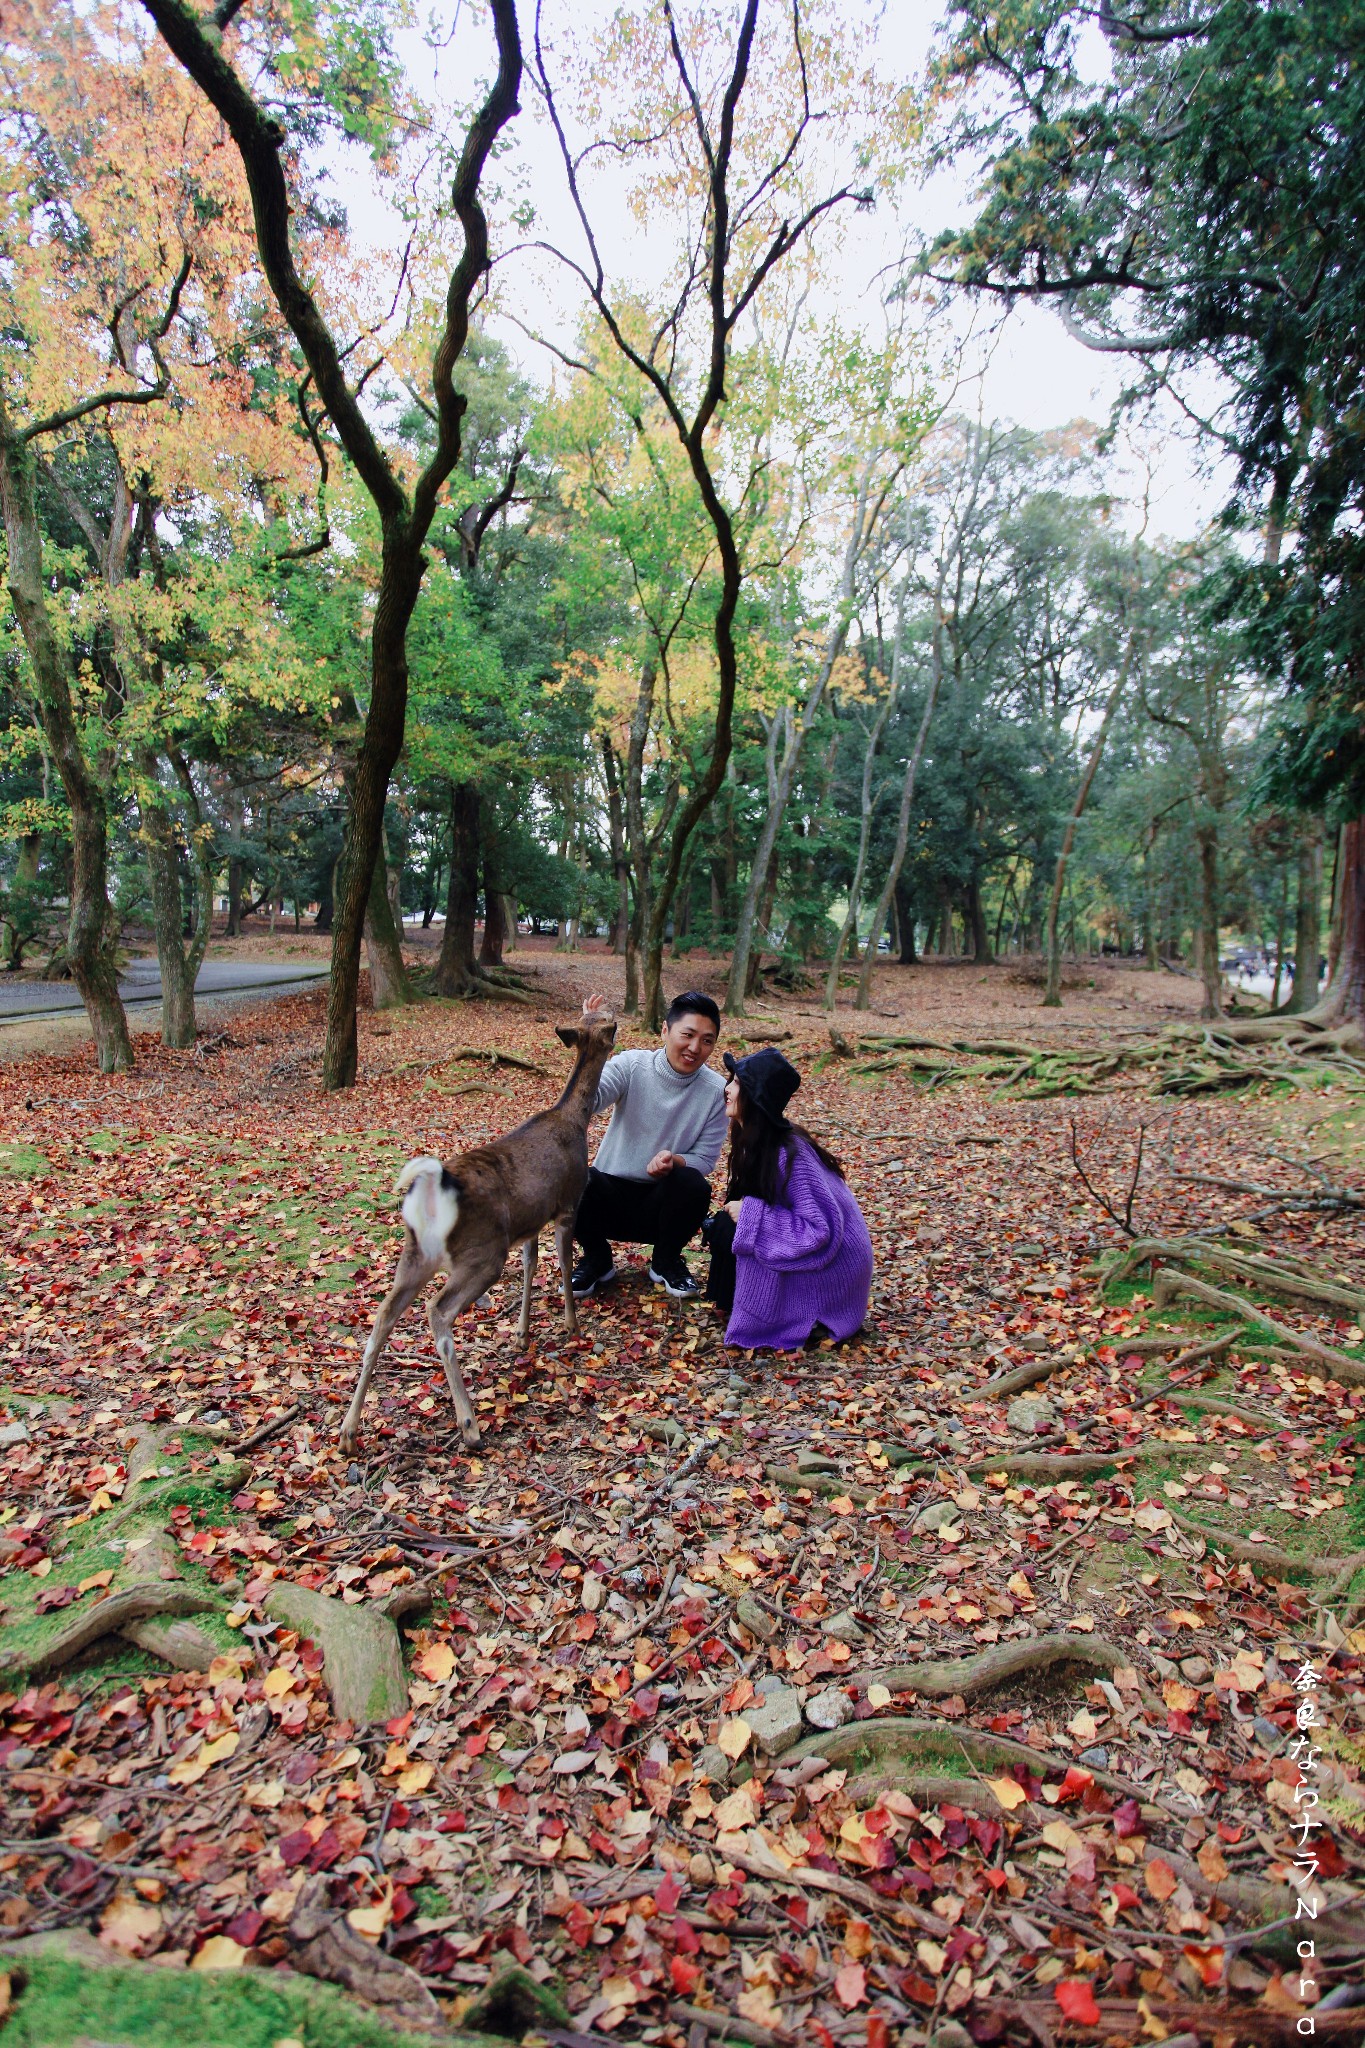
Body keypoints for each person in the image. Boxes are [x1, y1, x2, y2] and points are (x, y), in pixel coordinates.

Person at [703, 1046, 873, 1349]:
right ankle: (735, 1300)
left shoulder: (789, 1153)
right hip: (817, 1253)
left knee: (732, 1227)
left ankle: (800, 1315)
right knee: (722, 1226)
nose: (727, 1088)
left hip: (835, 1272)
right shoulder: (754, 1138)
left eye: (737, 1083)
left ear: (756, 1097)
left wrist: (750, 1213)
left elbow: (820, 1230)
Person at [571, 989, 727, 1300]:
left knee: (694, 1184)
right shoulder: (632, 1065)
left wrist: (676, 1161)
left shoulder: (716, 1091)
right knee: (572, 1179)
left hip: (661, 1204)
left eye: (707, 1040)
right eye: (688, 1035)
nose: (695, 1048)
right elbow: (588, 1101)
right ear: (666, 1031)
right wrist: (589, 1049)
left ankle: (666, 1260)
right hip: (608, 1195)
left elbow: (706, 1158)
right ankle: (597, 1259)